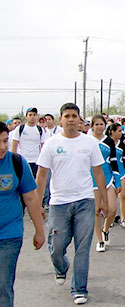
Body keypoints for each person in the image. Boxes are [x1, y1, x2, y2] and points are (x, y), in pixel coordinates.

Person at [35, 103, 108, 305]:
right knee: (57, 246)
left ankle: (79, 289)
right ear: (61, 119)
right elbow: (42, 175)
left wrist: (103, 199)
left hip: (85, 200)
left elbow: (98, 172)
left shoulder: (89, 143)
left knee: (83, 247)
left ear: (79, 120)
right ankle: (61, 267)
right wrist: (37, 204)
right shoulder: (51, 144)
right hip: (59, 203)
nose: (70, 119)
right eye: (66, 116)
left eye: (74, 116)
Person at [0, 121, 45, 307]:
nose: (2, 147)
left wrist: (39, 230)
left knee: (3, 286)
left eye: (5, 141)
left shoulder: (17, 163)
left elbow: (31, 198)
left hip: (9, 235)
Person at [89, 115, 121, 253]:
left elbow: (114, 162)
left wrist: (118, 181)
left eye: (101, 124)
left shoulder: (109, 141)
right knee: (96, 211)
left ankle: (105, 229)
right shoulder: (87, 141)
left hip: (108, 178)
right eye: (96, 124)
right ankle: (100, 241)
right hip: (92, 179)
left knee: (112, 209)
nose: (99, 127)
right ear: (92, 126)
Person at [107, 123, 125, 229]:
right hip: (109, 172)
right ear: (112, 131)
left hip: (121, 171)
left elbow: (124, 158)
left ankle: (123, 219)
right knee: (111, 197)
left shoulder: (122, 144)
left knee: (122, 195)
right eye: (118, 131)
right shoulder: (106, 142)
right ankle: (110, 217)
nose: (121, 133)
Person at [11, 107, 46, 177]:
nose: (32, 117)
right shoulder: (20, 129)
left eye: (34, 115)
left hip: (36, 160)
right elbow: (14, 145)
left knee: (35, 182)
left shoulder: (40, 129)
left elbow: (43, 146)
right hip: (23, 160)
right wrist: (13, 160)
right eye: (30, 115)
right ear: (26, 116)